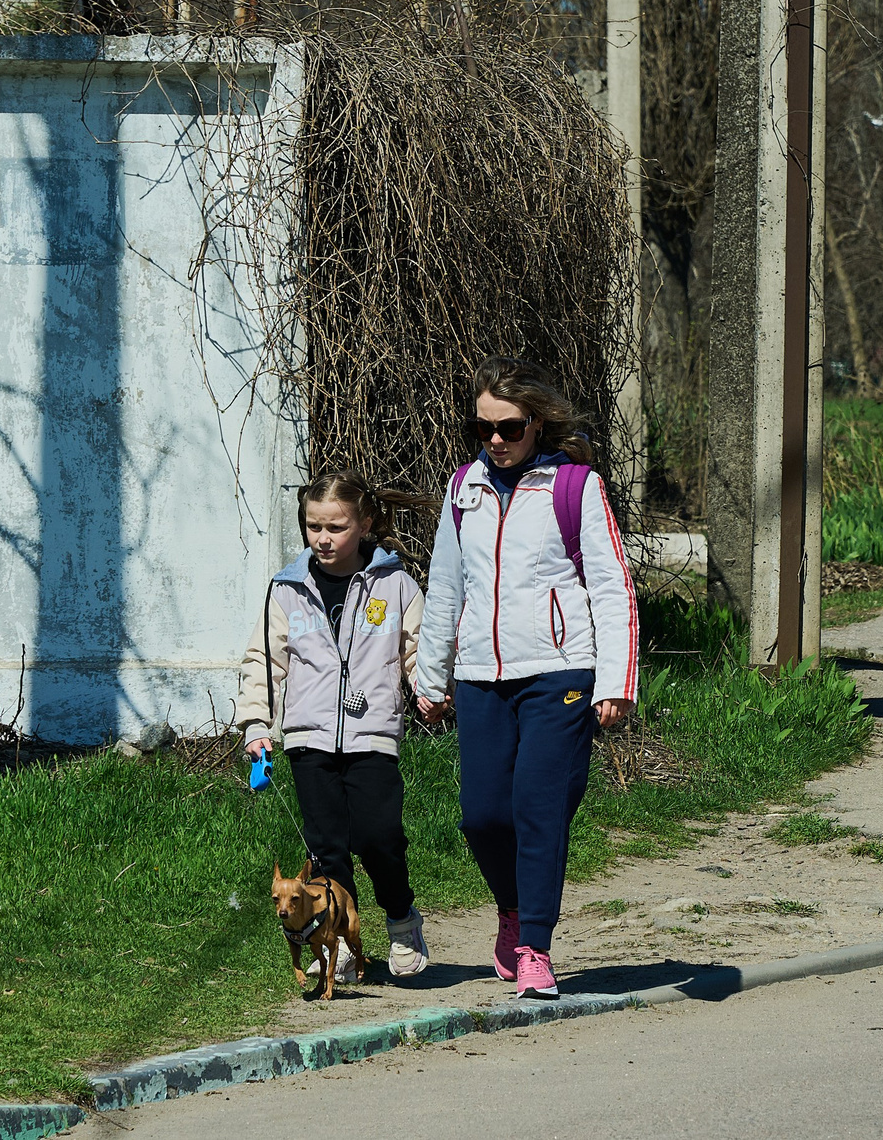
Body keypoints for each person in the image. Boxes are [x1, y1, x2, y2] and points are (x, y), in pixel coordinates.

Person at [415, 357, 639, 1001]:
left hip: (559, 671)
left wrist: (616, 681)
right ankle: (511, 910)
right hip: (480, 676)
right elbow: (445, 589)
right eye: (481, 428)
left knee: (538, 808)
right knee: (483, 816)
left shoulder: (575, 487)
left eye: (509, 428)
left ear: (536, 422)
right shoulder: (464, 489)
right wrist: (431, 677)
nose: (495, 440)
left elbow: (612, 586)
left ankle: (535, 947)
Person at [236, 472, 431, 986]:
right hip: (309, 738)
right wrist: (256, 723)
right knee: (325, 849)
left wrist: (429, 689)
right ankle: (340, 942)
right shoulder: (286, 590)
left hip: (372, 736)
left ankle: (401, 918)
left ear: (364, 525)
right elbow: (264, 661)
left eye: (336, 527)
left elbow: (418, 650)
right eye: (313, 526)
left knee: (379, 837)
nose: (322, 538)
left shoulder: (395, 585)